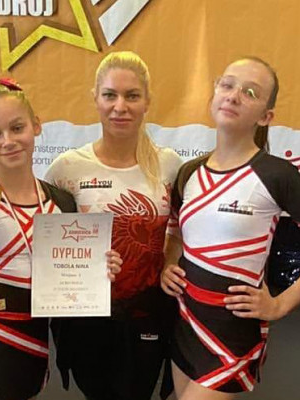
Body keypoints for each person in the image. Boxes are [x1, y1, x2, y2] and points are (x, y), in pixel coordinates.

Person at [0, 78, 122, 400]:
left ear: (36, 125)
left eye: (17, 128)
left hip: (36, 343)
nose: (8, 141)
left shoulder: (62, 203)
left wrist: (98, 269)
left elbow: (71, 273)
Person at [160, 56, 300, 399]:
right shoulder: (189, 173)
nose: (233, 96)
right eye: (227, 85)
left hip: (233, 331)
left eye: (250, 92)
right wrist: (168, 264)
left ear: (266, 116)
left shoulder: (277, 175)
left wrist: (280, 305)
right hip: (186, 320)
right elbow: (175, 234)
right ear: (214, 93)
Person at [44, 51, 183, 400]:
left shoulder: (170, 165)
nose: (120, 106)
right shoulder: (67, 168)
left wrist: (170, 262)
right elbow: (44, 242)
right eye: (110, 95)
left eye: (132, 96)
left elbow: (181, 229)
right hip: (86, 317)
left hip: (147, 312)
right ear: (95, 98)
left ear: (147, 101)